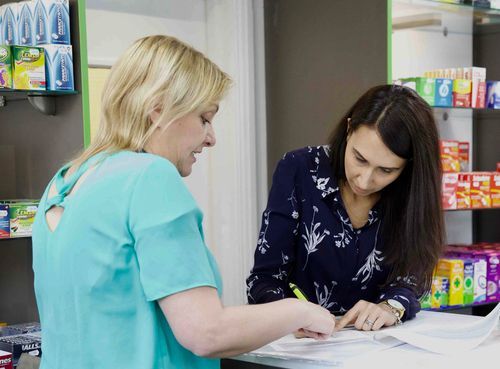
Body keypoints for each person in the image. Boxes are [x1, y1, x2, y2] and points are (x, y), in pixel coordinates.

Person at [32, 35, 335, 369]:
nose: (211, 137)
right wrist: (300, 311)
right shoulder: (149, 178)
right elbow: (205, 332)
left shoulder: (64, 182)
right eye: (204, 118)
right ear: (158, 110)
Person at [246, 84, 445, 334]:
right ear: (349, 129)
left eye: (386, 170)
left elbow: (410, 279)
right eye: (359, 159)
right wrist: (292, 315)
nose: (364, 181)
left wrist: (389, 307)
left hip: (372, 348)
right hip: (295, 345)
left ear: (408, 167)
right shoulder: (299, 169)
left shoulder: (411, 192)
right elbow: (264, 279)